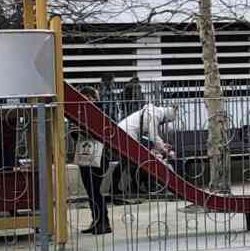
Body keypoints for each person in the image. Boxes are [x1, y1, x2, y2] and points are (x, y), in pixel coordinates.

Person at [114, 102, 178, 198]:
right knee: (129, 162)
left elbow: (150, 135)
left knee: (128, 162)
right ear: (166, 117)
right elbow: (153, 136)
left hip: (125, 132)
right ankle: (121, 189)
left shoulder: (153, 112)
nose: (163, 123)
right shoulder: (155, 114)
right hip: (126, 134)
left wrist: (162, 145)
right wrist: (165, 150)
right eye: (166, 121)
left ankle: (124, 188)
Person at [73, 86, 111, 234]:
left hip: (98, 155)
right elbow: (75, 134)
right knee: (90, 190)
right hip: (85, 154)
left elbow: (101, 132)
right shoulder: (80, 113)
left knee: (97, 190)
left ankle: (103, 222)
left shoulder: (99, 111)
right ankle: (96, 220)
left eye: (86, 97)